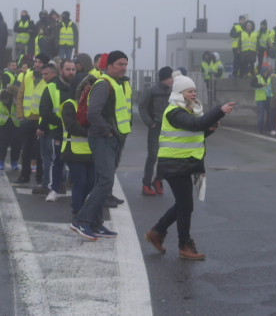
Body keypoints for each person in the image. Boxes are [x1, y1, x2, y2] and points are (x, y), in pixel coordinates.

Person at [143, 76, 234, 260]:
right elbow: (195, 125)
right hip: (174, 163)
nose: (193, 93)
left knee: (183, 204)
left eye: (194, 90)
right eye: (189, 91)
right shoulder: (174, 111)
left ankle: (157, 232)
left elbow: (194, 133)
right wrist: (219, 111)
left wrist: (209, 130)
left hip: (183, 163)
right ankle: (183, 244)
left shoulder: (188, 110)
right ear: (179, 93)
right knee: (185, 205)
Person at [70, 51, 131, 241]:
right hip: (103, 138)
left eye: (125, 64)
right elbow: (93, 114)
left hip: (111, 139)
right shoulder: (104, 85)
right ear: (109, 65)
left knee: (103, 182)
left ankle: (96, 224)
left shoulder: (115, 84)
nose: (123, 68)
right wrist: (107, 132)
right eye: (119, 64)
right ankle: (81, 220)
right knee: (105, 181)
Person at [38, 60, 76, 201]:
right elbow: (45, 110)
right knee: (57, 161)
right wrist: (62, 123)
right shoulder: (52, 87)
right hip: (59, 131)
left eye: (73, 69)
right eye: (68, 69)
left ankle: (79, 192)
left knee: (77, 162)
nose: (71, 72)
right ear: (61, 71)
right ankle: (53, 190)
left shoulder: (79, 87)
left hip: (76, 132)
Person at [61, 74, 96, 217]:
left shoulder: (94, 104)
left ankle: (78, 203)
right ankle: (77, 210)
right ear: (78, 87)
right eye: (86, 85)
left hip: (90, 150)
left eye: (91, 85)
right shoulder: (70, 104)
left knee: (92, 182)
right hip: (73, 150)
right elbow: (71, 126)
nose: (89, 88)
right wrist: (92, 132)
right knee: (80, 181)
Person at [14, 54, 49, 188]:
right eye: (36, 62)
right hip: (26, 118)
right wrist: (20, 115)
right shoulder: (27, 75)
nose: (38, 64)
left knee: (39, 151)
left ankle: (40, 178)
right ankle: (24, 176)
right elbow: (20, 95)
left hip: (39, 119)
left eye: (40, 62)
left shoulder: (47, 77)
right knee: (26, 149)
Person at [138, 66, 174, 196]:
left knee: (166, 157)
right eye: (170, 77)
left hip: (169, 128)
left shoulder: (173, 90)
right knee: (153, 156)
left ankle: (158, 180)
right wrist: (150, 122)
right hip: (156, 127)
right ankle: (146, 184)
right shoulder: (152, 90)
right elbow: (142, 106)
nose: (172, 80)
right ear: (163, 78)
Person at [0, 85, 21, 171]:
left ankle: (14, 162)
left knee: (16, 144)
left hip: (15, 124)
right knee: (2, 144)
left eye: (6, 100)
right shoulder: (2, 96)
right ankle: (1, 161)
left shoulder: (15, 100)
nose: (4, 102)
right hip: (2, 125)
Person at [251, 65, 272, 135]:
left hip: (268, 98)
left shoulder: (269, 78)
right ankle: (260, 129)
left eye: (267, 72)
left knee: (269, 115)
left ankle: (267, 129)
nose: (266, 73)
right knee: (261, 115)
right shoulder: (257, 77)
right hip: (260, 99)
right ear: (262, 72)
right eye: (264, 72)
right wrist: (261, 85)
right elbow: (252, 84)